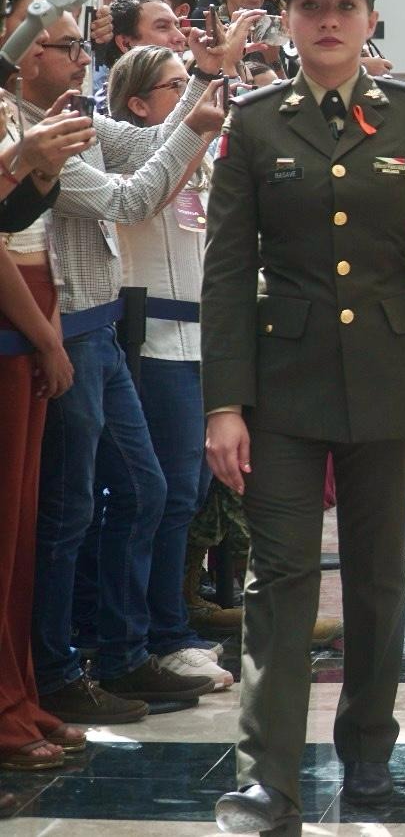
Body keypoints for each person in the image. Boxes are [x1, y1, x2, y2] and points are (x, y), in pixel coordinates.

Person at [204, 0, 405, 833]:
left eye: (344, 8)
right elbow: (224, 272)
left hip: (392, 383)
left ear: (369, 20)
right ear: (287, 21)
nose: (327, 23)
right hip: (281, 390)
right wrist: (223, 402)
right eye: (310, 8)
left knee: (374, 579)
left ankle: (368, 750)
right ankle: (268, 780)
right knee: (279, 579)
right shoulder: (254, 122)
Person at [19, 11, 230, 725]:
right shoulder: (27, 131)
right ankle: (57, 667)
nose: (82, 58)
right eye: (66, 46)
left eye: (83, 44)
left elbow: (145, 141)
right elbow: (131, 198)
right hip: (68, 329)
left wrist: (203, 80)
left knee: (145, 490)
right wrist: (197, 121)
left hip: (101, 331)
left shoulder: (69, 114)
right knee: (69, 510)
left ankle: (123, 652)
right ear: (23, 56)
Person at [109, 45, 254, 692]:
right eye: (178, 86)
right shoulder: (135, 153)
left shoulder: (198, 161)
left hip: (202, 345)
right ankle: (153, 636)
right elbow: (146, 197)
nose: (196, 99)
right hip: (156, 346)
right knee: (160, 498)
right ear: (140, 103)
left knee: (188, 497)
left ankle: (169, 627)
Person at [0, 94, 92, 773]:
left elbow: (19, 222)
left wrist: (38, 168)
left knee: (18, 536)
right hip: (17, 316)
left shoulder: (13, 104)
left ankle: (16, 693)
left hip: (31, 308)